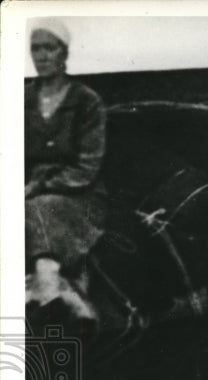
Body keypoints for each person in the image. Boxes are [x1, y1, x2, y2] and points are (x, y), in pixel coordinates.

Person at [25, 18, 107, 322]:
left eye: (50, 47)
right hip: (27, 189)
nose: (42, 55)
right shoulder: (22, 100)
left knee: (37, 208)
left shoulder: (86, 102)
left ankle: (49, 287)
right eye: (36, 48)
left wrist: (39, 185)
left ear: (65, 53)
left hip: (79, 192)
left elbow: (87, 166)